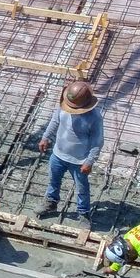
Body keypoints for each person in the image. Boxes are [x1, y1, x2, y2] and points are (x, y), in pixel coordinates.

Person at [38, 80, 103, 218]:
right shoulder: (64, 106)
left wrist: (89, 161)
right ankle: (51, 202)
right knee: (53, 180)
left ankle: (83, 212)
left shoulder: (94, 117)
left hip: (79, 161)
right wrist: (45, 137)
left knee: (82, 188)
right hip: (58, 155)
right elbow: (55, 121)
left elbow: (97, 141)